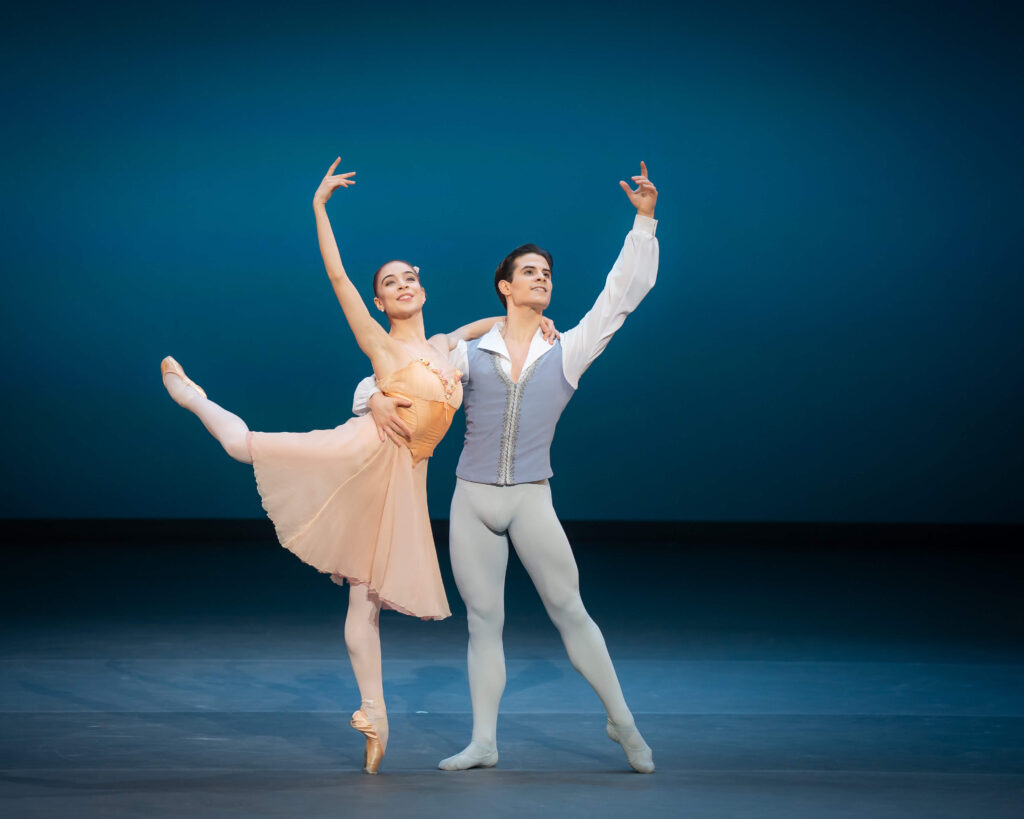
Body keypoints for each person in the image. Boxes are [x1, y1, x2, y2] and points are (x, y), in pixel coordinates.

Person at [159, 158, 556, 774]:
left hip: (405, 483)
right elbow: (339, 278)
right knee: (246, 448)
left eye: (409, 278)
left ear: (421, 288)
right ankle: (196, 399)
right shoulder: (381, 344)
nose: (402, 285)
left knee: (364, 601)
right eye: (390, 282)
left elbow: (489, 323)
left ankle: (374, 713)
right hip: (362, 454)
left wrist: (535, 319)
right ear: (380, 300)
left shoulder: (449, 346)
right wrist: (318, 208)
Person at [353, 162, 659, 773]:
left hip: (531, 499)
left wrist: (644, 220)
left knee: (570, 609)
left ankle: (622, 722)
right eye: (529, 273)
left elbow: (618, 298)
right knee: (483, 624)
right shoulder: (467, 354)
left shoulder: (567, 349)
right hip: (471, 501)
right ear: (505, 287)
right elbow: (397, 372)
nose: (541, 279)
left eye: (546, 274)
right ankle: (485, 743)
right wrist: (377, 399)